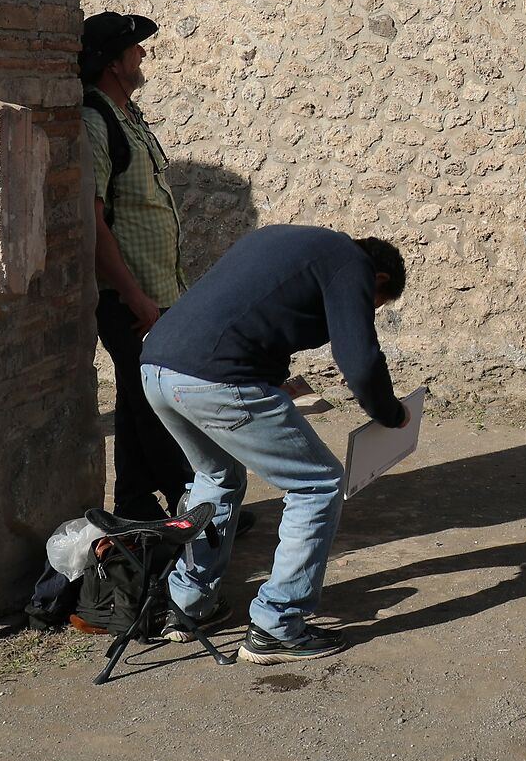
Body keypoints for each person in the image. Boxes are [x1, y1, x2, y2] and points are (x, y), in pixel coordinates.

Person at [139, 225, 409, 664]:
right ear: (379, 280)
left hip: (156, 369)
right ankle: (278, 625)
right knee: (318, 484)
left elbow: (245, 319)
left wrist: (274, 385)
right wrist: (391, 413)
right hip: (216, 380)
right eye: (373, 306)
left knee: (216, 474)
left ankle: (188, 606)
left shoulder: (287, 242)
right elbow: (360, 360)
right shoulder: (352, 265)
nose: (367, 310)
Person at [80, 10, 194, 522]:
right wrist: (133, 295)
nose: (143, 55)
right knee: (156, 401)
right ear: (112, 63)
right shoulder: (95, 121)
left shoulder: (128, 115)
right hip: (127, 295)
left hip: (155, 288)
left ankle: (133, 501)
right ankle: (191, 497)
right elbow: (94, 219)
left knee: (136, 396)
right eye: (134, 49)